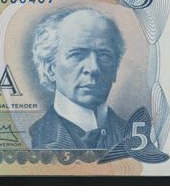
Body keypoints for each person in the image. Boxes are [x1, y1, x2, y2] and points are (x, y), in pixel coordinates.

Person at [29, 8, 127, 149]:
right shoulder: (34, 138)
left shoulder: (137, 136)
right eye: (77, 55)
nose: (93, 68)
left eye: (104, 55)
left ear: (115, 69)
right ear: (50, 68)